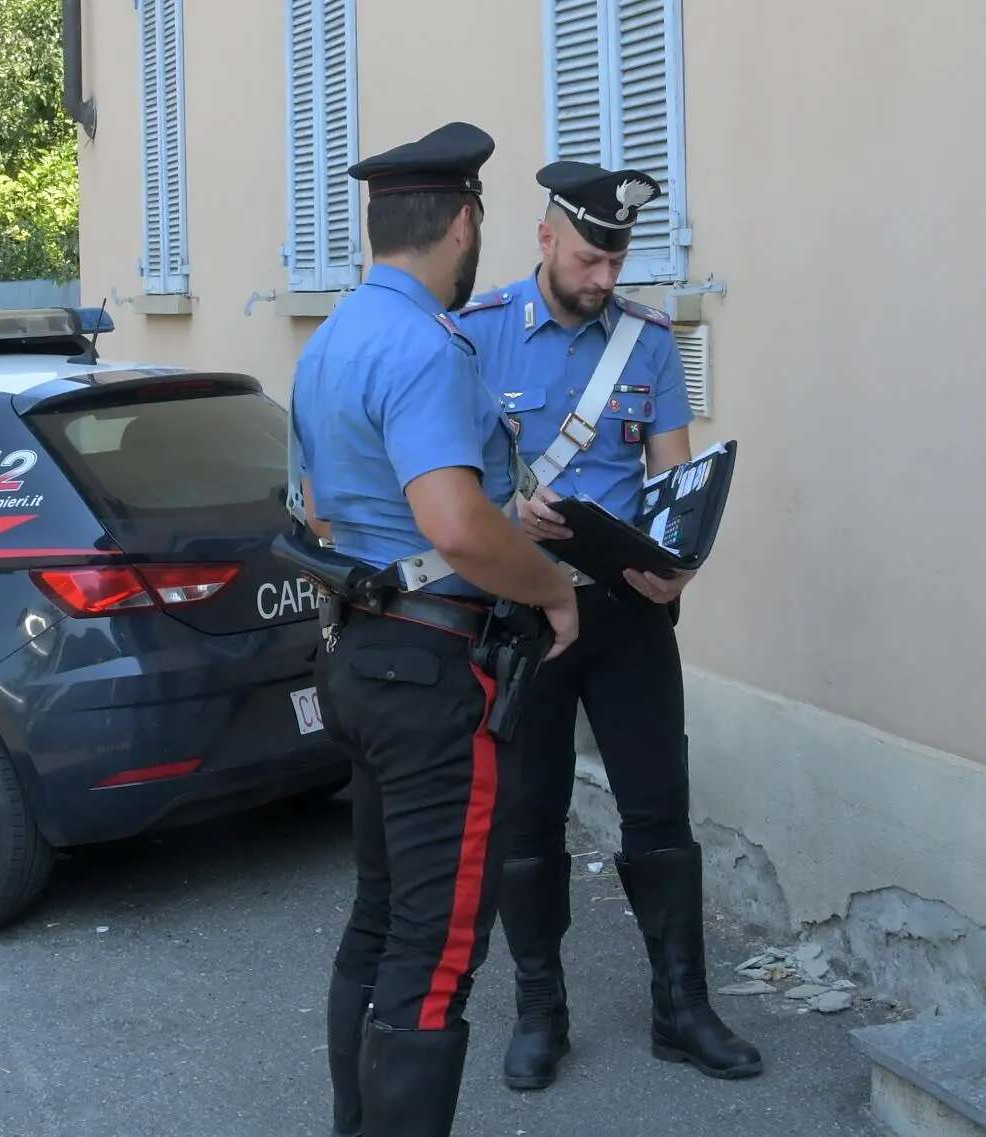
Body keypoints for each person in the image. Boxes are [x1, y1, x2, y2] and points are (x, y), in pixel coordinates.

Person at [292, 122, 580, 1137]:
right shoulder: (424, 346)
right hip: (430, 674)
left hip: (359, 659)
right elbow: (453, 526)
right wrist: (549, 586)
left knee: (378, 919)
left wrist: (494, 526)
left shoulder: (328, 341)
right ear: (463, 221)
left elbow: (324, 510)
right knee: (437, 945)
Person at [455, 161, 763, 1092]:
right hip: (522, 610)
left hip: (626, 612)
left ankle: (682, 1008)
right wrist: (513, 518)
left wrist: (679, 565)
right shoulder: (477, 339)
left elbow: (674, 481)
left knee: (659, 811)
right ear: (546, 239)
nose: (602, 279)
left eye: (615, 262)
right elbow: (453, 492)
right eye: (589, 257)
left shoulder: (649, 343)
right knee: (530, 820)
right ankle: (541, 1011)